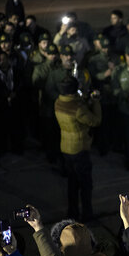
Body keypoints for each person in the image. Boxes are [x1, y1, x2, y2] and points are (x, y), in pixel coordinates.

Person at [54, 76, 101, 221]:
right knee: (86, 185)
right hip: (79, 148)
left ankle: (72, 213)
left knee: (72, 184)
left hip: (65, 147)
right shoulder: (77, 108)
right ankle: (87, 214)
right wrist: (96, 102)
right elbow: (95, 121)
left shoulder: (58, 102)